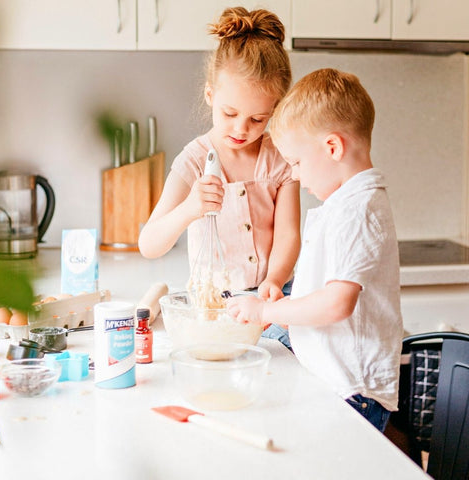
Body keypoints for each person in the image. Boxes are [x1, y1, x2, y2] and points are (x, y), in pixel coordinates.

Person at [227, 68, 403, 432]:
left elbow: (338, 304)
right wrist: (284, 308)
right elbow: (322, 296)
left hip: (353, 393)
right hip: (336, 385)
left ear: (333, 147)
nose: (295, 175)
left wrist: (267, 309)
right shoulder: (345, 204)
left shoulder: (358, 209)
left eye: (296, 162)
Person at [138, 7, 300, 348]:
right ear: (210, 95)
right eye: (230, 113)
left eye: (258, 119)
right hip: (214, 307)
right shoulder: (194, 161)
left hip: (273, 299)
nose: (242, 129)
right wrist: (190, 208)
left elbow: (288, 234)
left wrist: (274, 279)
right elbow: (149, 244)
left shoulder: (280, 159)